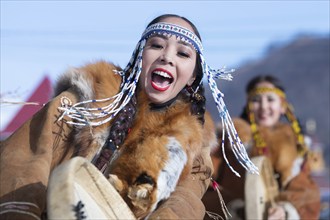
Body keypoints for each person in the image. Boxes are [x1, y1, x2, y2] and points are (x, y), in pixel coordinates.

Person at [0, 14, 254, 219]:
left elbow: (182, 206)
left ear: (193, 76)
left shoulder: (194, 150)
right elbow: (24, 162)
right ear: (138, 57)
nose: (166, 56)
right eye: (156, 45)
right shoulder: (82, 100)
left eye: (183, 53)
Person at [203, 75, 321, 219]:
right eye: (256, 100)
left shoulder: (297, 147)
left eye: (270, 99)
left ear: (282, 106)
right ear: (248, 106)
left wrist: (286, 210)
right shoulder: (228, 141)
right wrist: (232, 207)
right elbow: (203, 180)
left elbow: (306, 191)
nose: (264, 106)